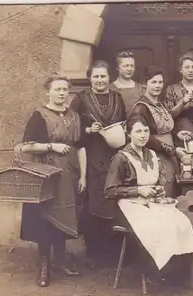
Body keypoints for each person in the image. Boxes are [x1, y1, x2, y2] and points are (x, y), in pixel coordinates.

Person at [105, 115, 193, 288]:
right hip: (128, 206)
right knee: (155, 226)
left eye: (146, 131)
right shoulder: (121, 158)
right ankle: (153, 271)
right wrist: (138, 190)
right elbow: (109, 191)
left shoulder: (153, 155)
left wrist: (159, 190)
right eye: (138, 131)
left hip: (151, 203)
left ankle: (173, 272)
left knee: (180, 222)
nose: (142, 135)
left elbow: (157, 182)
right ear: (128, 133)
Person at [19, 74, 86, 287]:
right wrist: (52, 146)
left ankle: (60, 261)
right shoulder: (39, 116)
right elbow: (26, 147)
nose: (61, 93)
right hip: (46, 175)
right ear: (48, 91)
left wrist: (83, 175)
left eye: (65, 89)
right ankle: (44, 266)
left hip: (69, 174)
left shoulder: (75, 116)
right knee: (44, 219)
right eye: (57, 89)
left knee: (65, 216)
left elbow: (81, 147)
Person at [69, 60, 126, 269]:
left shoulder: (116, 98)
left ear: (109, 78)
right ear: (90, 78)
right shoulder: (81, 99)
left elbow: (124, 123)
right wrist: (88, 130)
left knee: (114, 199)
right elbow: (72, 128)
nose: (100, 80)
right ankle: (94, 255)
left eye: (103, 76)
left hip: (114, 155)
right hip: (91, 156)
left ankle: (114, 254)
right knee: (94, 202)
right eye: (96, 76)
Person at [129, 65, 192, 197]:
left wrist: (176, 134)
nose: (157, 85)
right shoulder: (141, 108)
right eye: (153, 82)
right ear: (144, 84)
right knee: (162, 193)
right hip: (155, 156)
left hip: (169, 156)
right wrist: (173, 150)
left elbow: (163, 128)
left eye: (160, 82)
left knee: (173, 192)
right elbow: (145, 138)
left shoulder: (160, 104)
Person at [109, 51, 145, 117]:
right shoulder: (109, 89)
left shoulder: (141, 89)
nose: (129, 69)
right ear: (118, 68)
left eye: (132, 66)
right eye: (126, 66)